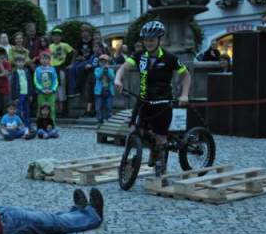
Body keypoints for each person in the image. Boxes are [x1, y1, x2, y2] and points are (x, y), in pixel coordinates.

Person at [114, 20, 191, 176]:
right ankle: (144, 154)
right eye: (146, 40)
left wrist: (184, 94)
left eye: (152, 40)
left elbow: (186, 75)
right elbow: (123, 68)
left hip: (162, 103)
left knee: (161, 137)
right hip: (143, 102)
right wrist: (118, 79)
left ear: (159, 40)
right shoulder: (139, 56)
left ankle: (161, 167)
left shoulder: (170, 58)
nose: (148, 43)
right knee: (134, 130)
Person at [48, 29, 74, 115]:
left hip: (60, 69)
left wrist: (72, 63)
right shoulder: (50, 46)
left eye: (58, 35)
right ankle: (56, 109)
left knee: (61, 88)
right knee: (53, 88)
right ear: (52, 37)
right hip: (52, 69)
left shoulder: (64, 45)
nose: (56, 37)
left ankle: (62, 109)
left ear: (61, 37)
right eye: (54, 35)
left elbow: (74, 52)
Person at [34, 52, 59, 124]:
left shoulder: (52, 69)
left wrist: (53, 89)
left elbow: (55, 80)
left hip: (51, 93)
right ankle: (40, 124)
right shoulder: (37, 69)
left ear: (49, 60)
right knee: (41, 108)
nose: (44, 60)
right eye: (42, 59)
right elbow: (35, 81)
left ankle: (52, 124)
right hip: (41, 93)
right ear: (40, 60)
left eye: (46, 59)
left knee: (52, 109)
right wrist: (41, 89)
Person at [10, 54, 33, 128]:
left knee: (27, 110)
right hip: (19, 95)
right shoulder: (14, 72)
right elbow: (12, 85)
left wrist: (30, 94)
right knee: (18, 111)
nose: (20, 63)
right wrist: (15, 97)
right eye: (18, 62)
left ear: (24, 62)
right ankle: (19, 125)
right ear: (16, 63)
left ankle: (27, 125)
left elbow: (30, 83)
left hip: (26, 94)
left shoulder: (27, 71)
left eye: (22, 62)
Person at [82, 42, 104, 117]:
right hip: (90, 77)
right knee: (89, 94)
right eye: (94, 47)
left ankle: (95, 111)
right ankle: (88, 111)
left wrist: (91, 66)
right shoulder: (92, 56)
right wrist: (86, 66)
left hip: (98, 78)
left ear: (100, 48)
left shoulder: (103, 56)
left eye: (96, 47)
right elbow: (88, 63)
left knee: (97, 94)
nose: (95, 49)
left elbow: (102, 66)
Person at [94, 54, 115, 126]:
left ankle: (109, 120)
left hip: (109, 91)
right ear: (99, 62)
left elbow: (112, 77)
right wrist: (103, 69)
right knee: (98, 107)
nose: (103, 63)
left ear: (108, 62)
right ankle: (100, 121)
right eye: (101, 61)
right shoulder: (97, 69)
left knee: (109, 106)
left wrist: (107, 70)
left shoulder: (111, 70)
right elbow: (98, 76)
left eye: (105, 62)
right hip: (99, 91)